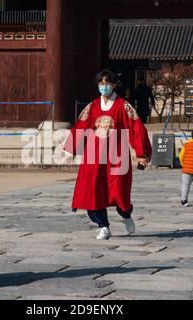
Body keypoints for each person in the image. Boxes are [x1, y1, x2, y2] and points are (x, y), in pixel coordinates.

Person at [64, 69, 152, 240]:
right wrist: (72, 149)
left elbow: (136, 128)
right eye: (101, 83)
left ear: (114, 85)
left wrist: (141, 153)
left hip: (117, 155)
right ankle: (103, 226)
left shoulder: (123, 106)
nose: (104, 87)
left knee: (119, 191)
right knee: (93, 191)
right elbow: (81, 126)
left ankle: (126, 214)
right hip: (94, 154)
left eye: (107, 83)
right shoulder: (92, 106)